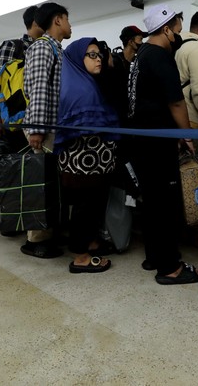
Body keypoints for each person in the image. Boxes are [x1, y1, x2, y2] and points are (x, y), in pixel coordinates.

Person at [127, 3, 198, 285]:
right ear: (166, 29)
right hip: (158, 144)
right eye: (177, 29)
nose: (178, 35)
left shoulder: (140, 56)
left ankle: (154, 256)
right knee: (165, 205)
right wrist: (187, 135)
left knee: (151, 202)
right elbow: (176, 102)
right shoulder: (160, 56)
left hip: (141, 140)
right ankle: (170, 267)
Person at [56, 38, 120, 274]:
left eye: (99, 54)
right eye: (91, 55)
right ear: (77, 59)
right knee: (85, 207)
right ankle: (80, 257)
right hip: (83, 164)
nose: (98, 59)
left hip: (93, 163)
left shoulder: (87, 83)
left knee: (92, 205)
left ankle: (90, 243)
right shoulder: (80, 90)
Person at [20, 2, 71, 258]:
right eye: (68, 19)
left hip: (53, 127)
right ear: (58, 20)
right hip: (44, 127)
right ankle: (36, 239)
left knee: (51, 184)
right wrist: (37, 130)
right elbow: (39, 89)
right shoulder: (42, 47)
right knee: (40, 184)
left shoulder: (56, 48)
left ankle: (49, 231)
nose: (70, 25)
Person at [0, 5, 44, 150]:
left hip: (36, 116)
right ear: (35, 22)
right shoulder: (13, 46)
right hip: (14, 117)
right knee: (18, 159)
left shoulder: (44, 48)